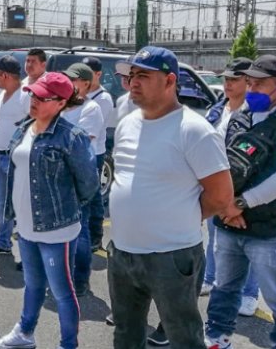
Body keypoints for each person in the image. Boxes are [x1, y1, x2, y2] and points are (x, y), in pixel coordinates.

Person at [108, 46, 234, 348]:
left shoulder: (194, 131)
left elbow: (221, 196)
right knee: (126, 333)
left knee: (183, 337)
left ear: (170, 81)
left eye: (143, 76)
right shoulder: (127, 123)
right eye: (131, 75)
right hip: (123, 253)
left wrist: (177, 215)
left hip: (172, 256)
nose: (133, 82)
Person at [205, 55, 276, 349]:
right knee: (224, 288)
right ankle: (217, 337)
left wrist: (238, 204)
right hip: (229, 225)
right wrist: (224, 206)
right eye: (250, 83)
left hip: (271, 230)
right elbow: (221, 160)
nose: (252, 90)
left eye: (260, 84)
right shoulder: (242, 114)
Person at [0, 72, 99, 349]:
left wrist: (64, 212)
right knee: (33, 284)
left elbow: (88, 184)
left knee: (62, 293)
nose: (34, 100)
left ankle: (68, 345)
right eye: (33, 94)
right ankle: (25, 332)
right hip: (25, 226)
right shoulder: (24, 127)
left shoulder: (71, 138)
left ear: (61, 103)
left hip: (56, 229)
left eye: (42, 97)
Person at [202, 58, 261, 318]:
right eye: (226, 78)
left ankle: (249, 294)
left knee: (247, 244)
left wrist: (241, 197)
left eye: (234, 79)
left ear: (249, 82)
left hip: (243, 190)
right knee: (215, 236)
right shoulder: (217, 109)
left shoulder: (257, 114)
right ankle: (211, 277)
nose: (227, 84)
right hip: (217, 185)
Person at [60, 63, 104, 297]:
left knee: (80, 229)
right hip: (59, 177)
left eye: (74, 80)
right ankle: (63, 277)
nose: (70, 83)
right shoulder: (63, 106)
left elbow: (81, 141)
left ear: (86, 83)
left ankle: (80, 280)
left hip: (80, 176)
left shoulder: (91, 108)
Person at [0, 56, 30, 256]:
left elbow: (33, 126)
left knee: (19, 204)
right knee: (2, 202)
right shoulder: (3, 95)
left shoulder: (25, 96)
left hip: (15, 159)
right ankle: (3, 242)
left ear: (5, 75)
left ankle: (24, 250)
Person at [83, 57, 115, 251]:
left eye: (88, 73)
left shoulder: (103, 99)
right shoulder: (80, 95)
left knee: (93, 196)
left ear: (98, 75)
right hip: (82, 152)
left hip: (94, 153)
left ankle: (96, 236)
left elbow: (92, 130)